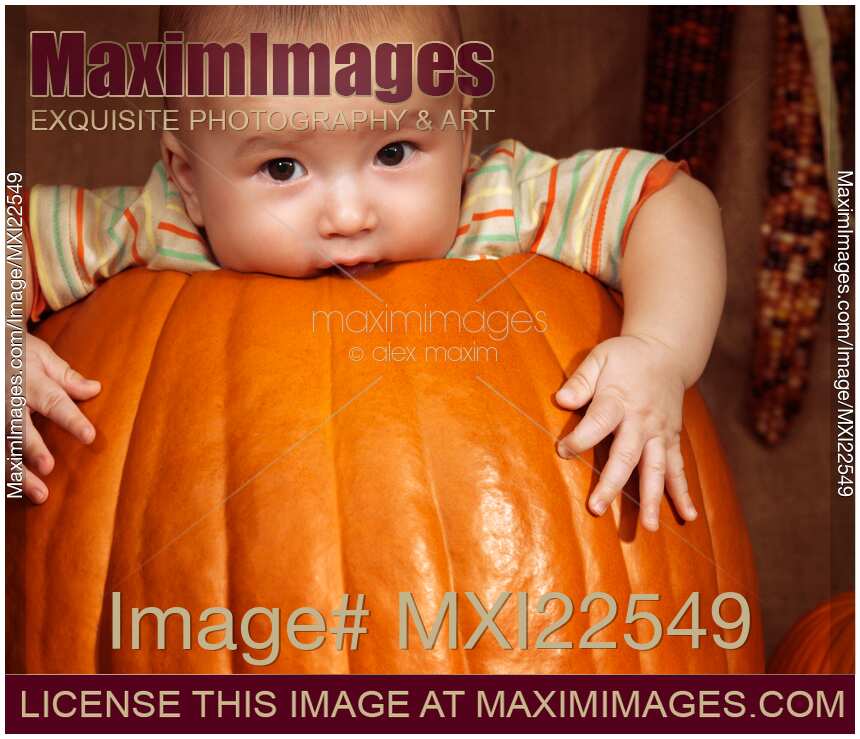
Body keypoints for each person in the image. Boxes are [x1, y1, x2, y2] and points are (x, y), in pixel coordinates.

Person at [22, 6, 726, 533]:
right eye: (282, 168)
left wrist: (659, 349)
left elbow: (667, 202)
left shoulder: (498, 201)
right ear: (190, 178)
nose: (349, 215)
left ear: (463, 134)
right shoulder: (163, 222)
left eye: (393, 152)